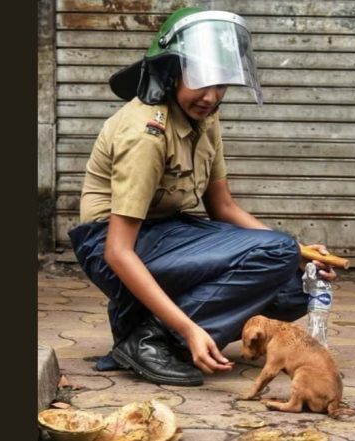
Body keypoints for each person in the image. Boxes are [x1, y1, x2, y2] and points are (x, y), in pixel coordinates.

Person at [68, 7, 336, 387]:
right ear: (172, 72)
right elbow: (117, 251)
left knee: (296, 289)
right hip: (111, 246)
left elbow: (222, 207)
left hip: (169, 236)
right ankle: (154, 338)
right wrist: (187, 327)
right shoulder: (146, 134)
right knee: (278, 253)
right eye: (201, 81)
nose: (211, 97)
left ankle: (143, 330)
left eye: (221, 84)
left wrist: (300, 254)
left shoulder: (204, 118)